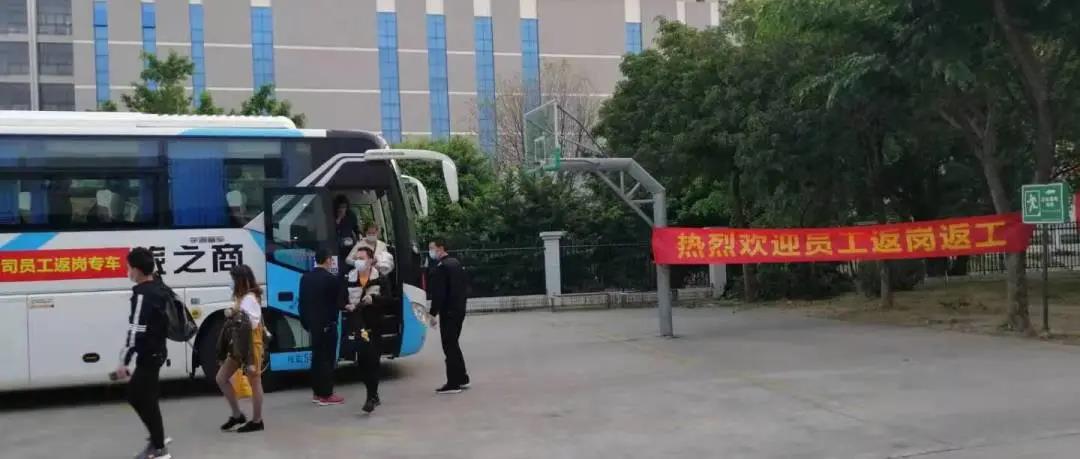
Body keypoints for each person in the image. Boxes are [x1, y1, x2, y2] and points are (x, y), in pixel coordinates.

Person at [115, 247, 171, 459]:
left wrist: (124, 361)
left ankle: (159, 447)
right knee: (147, 397)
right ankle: (157, 440)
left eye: (128, 267)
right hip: (158, 351)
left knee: (137, 396)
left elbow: (136, 330)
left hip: (149, 354)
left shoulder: (142, 294)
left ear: (137, 270)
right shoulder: (158, 287)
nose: (127, 271)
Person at [215, 265, 267, 433]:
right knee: (221, 378)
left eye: (233, 279)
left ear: (241, 280)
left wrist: (235, 313)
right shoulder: (243, 297)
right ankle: (237, 414)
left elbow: (250, 324)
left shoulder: (250, 298)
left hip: (251, 345)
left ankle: (257, 421)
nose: (231, 283)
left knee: (255, 381)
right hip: (238, 345)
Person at [345, 246, 391, 413]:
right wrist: (346, 305)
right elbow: (340, 298)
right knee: (362, 363)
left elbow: (389, 300)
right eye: (357, 258)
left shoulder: (381, 278)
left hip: (374, 324)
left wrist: (374, 299)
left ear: (371, 260)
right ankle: (373, 394)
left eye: (362, 258)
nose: (358, 261)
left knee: (373, 360)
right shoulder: (349, 277)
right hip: (357, 324)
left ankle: (371, 397)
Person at [298, 248, 347, 406]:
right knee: (327, 359)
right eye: (331, 259)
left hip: (313, 325)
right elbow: (338, 303)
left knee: (317, 358)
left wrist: (307, 323)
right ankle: (326, 394)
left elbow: (302, 303)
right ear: (327, 260)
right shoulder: (331, 279)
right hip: (328, 325)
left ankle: (317, 393)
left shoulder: (305, 278)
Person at [427, 238, 471, 394]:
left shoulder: (442, 267)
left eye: (432, 248)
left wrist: (432, 313)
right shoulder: (456, 263)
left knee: (449, 346)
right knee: (454, 344)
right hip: (459, 309)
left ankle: (453, 383)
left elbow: (439, 294)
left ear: (441, 248)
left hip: (449, 312)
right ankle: (462, 377)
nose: (430, 252)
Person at [334, 195, 360, 271]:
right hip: (334, 248)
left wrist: (357, 239)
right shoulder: (332, 215)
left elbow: (356, 229)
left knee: (349, 268)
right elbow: (330, 230)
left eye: (344, 207)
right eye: (340, 207)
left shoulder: (351, 216)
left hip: (348, 247)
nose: (342, 209)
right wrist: (339, 218)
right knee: (335, 270)